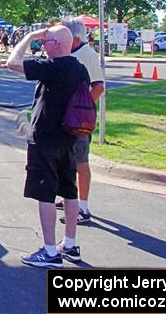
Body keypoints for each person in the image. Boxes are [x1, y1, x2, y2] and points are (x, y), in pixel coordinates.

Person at [6, 25, 89, 268]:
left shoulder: (53, 68)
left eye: (46, 41)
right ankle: (70, 244)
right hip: (69, 138)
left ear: (56, 44)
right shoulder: (78, 68)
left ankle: (50, 251)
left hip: (46, 138)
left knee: (46, 193)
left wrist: (29, 36)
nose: (42, 45)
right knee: (69, 190)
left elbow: (12, 63)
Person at [59, 18, 105, 225]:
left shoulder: (87, 55)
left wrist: (81, 111)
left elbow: (98, 87)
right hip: (64, 118)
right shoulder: (70, 54)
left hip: (77, 120)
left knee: (80, 161)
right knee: (66, 159)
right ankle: (70, 198)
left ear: (74, 37)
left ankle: (83, 207)